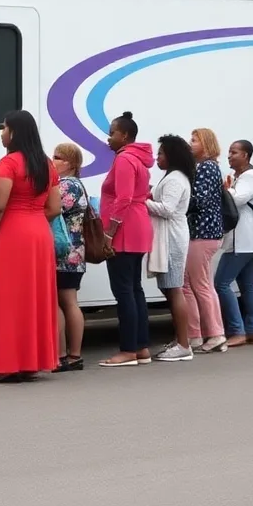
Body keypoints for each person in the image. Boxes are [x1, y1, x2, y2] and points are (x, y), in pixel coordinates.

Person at [0, 110, 62, 381]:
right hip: (39, 234)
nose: (1, 133)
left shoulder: (8, 163)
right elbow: (54, 207)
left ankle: (5, 364)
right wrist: (33, 217)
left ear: (14, 133)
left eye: (4, 128)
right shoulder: (47, 164)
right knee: (34, 297)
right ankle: (31, 362)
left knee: (7, 298)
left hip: (12, 233)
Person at [98, 111, 155, 368]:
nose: (108, 138)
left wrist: (109, 232)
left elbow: (123, 199)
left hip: (124, 230)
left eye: (112, 133)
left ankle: (128, 350)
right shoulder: (140, 160)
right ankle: (141, 347)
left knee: (124, 292)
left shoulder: (124, 160)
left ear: (125, 136)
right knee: (134, 289)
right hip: (139, 226)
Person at [147, 134, 195, 362]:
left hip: (172, 239)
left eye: (161, 153)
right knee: (169, 289)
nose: (158, 157)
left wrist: (142, 201)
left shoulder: (175, 178)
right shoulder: (173, 177)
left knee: (175, 288)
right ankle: (180, 339)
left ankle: (184, 344)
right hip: (168, 237)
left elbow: (167, 208)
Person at [215, 140, 253, 347]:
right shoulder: (241, 177)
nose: (229, 156)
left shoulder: (251, 176)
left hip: (243, 240)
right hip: (245, 240)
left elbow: (237, 200)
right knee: (247, 285)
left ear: (246, 155)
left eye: (234, 152)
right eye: (229, 152)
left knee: (221, 283)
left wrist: (226, 190)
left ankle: (238, 330)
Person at [183, 128, 227, 354]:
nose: (190, 143)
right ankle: (196, 334)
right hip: (203, 233)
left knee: (199, 285)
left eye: (194, 140)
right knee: (192, 284)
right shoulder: (206, 167)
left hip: (203, 232)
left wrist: (178, 200)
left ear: (206, 144)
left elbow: (198, 200)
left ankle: (215, 333)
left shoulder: (207, 167)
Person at [51, 142, 90, 371]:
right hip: (75, 252)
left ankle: (66, 353)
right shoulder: (76, 184)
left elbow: (53, 208)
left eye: (57, 157)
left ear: (70, 163)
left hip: (65, 252)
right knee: (68, 301)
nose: (52, 160)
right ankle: (70, 354)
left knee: (64, 302)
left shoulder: (68, 185)